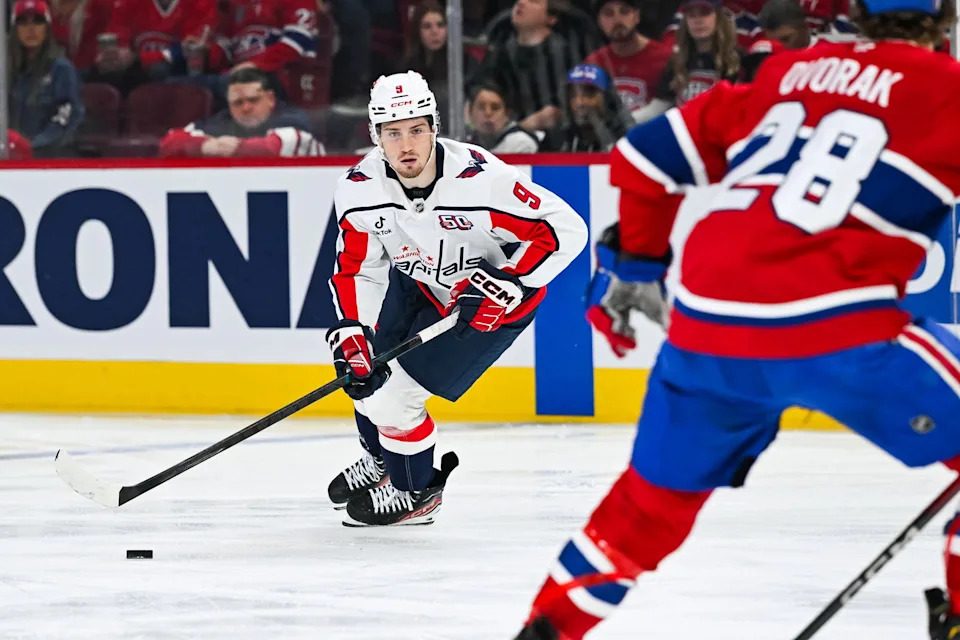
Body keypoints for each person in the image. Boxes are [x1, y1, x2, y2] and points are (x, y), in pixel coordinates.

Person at [513, 0, 960, 638]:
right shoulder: (947, 88)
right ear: (943, 18)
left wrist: (638, 267)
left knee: (646, 509)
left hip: (707, 324)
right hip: (835, 326)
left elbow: (643, 158)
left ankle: (546, 629)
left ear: (858, 11)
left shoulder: (785, 72)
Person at [326, 70, 587, 527]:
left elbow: (564, 229)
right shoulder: (358, 188)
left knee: (396, 401)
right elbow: (358, 267)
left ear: (434, 127)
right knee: (364, 374)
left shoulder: (480, 180)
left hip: (486, 307)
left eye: (416, 130)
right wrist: (355, 329)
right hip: (420, 283)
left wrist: (512, 281)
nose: (406, 145)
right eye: (392, 133)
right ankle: (384, 459)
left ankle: (415, 491)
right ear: (375, 135)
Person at [471, 0, 583, 134]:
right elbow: (481, 88)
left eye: (533, 1)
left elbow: (560, 110)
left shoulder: (565, 55)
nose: (521, 3)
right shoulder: (500, 51)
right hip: (502, 138)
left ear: (551, 18)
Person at [158, 67, 323, 157]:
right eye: (237, 103)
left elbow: (273, 148)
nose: (245, 108)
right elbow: (169, 143)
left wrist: (234, 147)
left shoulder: (293, 119)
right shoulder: (220, 122)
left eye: (253, 100)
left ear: (271, 99)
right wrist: (206, 146)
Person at [634, 0, 741, 124]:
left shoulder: (736, 60)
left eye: (704, 13)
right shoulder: (675, 62)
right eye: (692, 15)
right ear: (685, 21)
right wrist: (628, 121)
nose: (698, 21)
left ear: (718, 17)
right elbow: (658, 107)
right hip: (684, 135)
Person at [8, 0, 84, 158]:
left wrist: (32, 147)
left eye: (38, 21)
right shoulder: (6, 72)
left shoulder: (61, 69)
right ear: (15, 29)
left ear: (47, 28)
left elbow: (65, 119)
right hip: (9, 158)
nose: (31, 29)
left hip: (50, 159)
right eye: (23, 22)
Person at [585, 0, 672, 122]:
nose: (617, 20)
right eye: (608, 13)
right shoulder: (594, 62)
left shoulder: (665, 57)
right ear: (599, 21)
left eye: (624, 12)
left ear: (636, 16)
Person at [550, 63, 627, 151]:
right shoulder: (559, 139)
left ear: (607, 99)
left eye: (588, 94)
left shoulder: (625, 140)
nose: (580, 103)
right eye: (573, 95)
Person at [465, 81, 542, 154]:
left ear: (507, 114)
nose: (488, 113)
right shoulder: (464, 142)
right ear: (470, 112)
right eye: (481, 107)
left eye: (495, 108)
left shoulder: (521, 142)